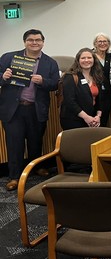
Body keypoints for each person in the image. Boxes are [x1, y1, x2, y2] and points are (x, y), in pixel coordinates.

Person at [0, 29, 59, 191]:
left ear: (43, 42)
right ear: (25, 42)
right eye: (31, 40)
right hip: (14, 109)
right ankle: (14, 177)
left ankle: (36, 167)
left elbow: (55, 83)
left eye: (38, 40)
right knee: (14, 143)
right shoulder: (9, 58)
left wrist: (43, 81)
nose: (34, 43)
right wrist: (3, 77)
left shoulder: (50, 62)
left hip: (36, 109)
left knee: (35, 141)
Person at [60, 48, 104, 130]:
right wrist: (86, 117)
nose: (86, 60)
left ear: (94, 60)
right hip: (74, 120)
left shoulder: (96, 77)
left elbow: (99, 100)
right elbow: (70, 101)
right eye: (83, 58)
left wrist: (98, 116)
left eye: (89, 58)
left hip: (92, 119)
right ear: (78, 60)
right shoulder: (70, 77)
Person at [92, 32, 111, 126]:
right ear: (95, 43)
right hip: (94, 92)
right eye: (99, 41)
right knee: (93, 118)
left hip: (108, 93)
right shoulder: (90, 56)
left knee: (104, 118)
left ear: (108, 44)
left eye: (105, 41)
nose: (102, 43)